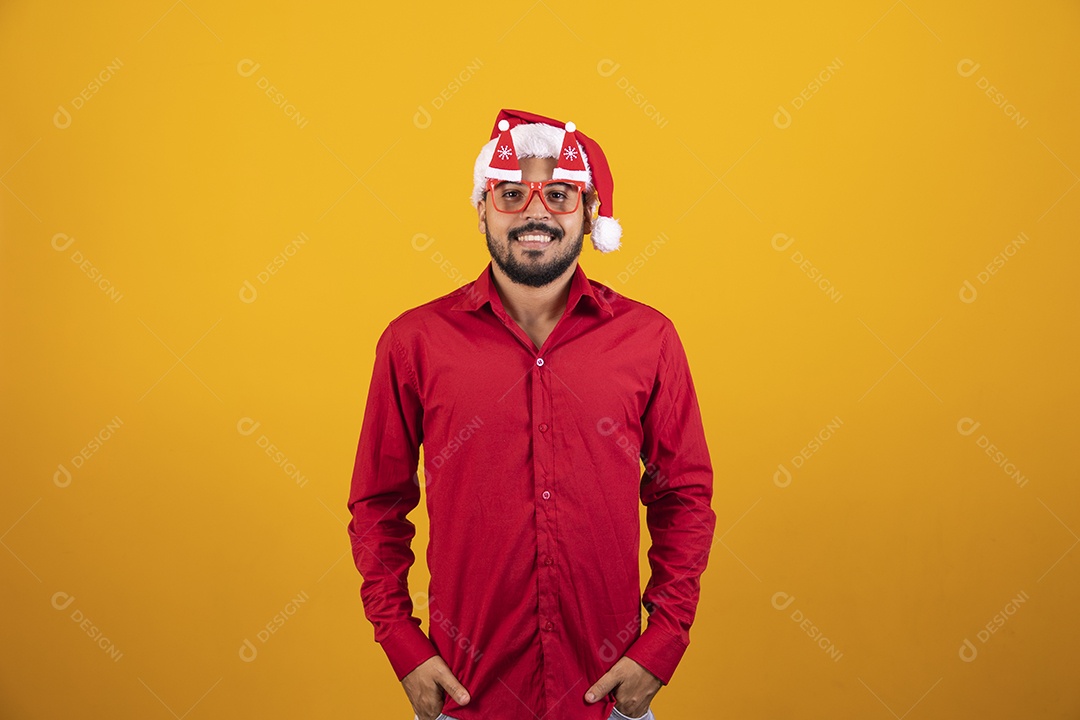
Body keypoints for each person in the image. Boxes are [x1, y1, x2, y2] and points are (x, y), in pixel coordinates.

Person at [346, 108, 716, 720]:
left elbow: (685, 497)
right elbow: (376, 505)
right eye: (511, 194)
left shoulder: (649, 339)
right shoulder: (414, 342)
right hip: (467, 696)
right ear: (483, 207)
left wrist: (663, 644)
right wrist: (403, 645)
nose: (535, 213)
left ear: (590, 212)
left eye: (560, 194)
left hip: (609, 698)